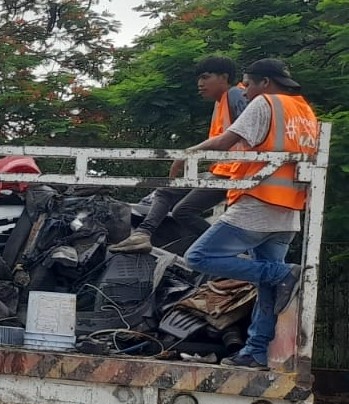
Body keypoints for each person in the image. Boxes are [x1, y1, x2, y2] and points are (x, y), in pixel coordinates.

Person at [182, 58, 319, 370]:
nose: (244, 92)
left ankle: (283, 274)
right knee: (267, 286)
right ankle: (256, 352)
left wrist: (186, 155)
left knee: (198, 257)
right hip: (288, 211)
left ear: (265, 83)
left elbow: (225, 140)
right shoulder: (304, 111)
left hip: (259, 202)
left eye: (248, 84)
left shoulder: (265, 103)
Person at [112, 56, 249, 254]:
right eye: (199, 79)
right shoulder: (221, 103)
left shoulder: (236, 95)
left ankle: (227, 249)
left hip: (236, 172)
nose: (200, 84)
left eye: (205, 77)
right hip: (224, 171)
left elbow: (248, 133)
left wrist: (189, 154)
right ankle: (142, 234)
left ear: (224, 77)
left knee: (183, 210)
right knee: (166, 192)